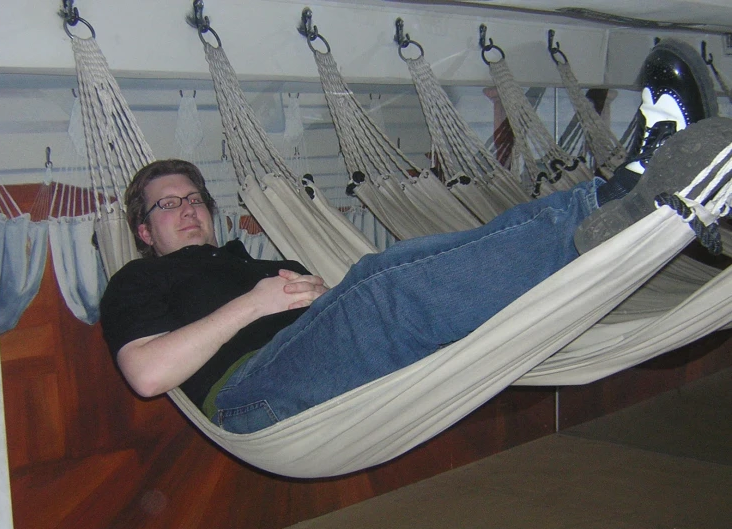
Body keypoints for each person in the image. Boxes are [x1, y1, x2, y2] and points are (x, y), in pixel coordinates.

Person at [100, 38, 726, 434]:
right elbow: (148, 375)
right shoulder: (137, 281)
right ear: (143, 230)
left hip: (328, 364)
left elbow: (334, 317)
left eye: (194, 198)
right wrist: (258, 304)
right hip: (247, 398)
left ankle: (631, 207)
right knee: (379, 286)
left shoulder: (259, 262)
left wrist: (307, 297)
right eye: (167, 205)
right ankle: (616, 199)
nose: (186, 209)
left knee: (380, 277)